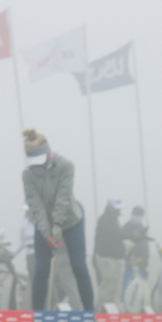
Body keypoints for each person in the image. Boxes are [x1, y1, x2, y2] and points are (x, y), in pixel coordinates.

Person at [21, 128, 95, 312]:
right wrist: (47, 233)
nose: (36, 164)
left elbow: (64, 198)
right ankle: (37, 317)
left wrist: (57, 227)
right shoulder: (28, 174)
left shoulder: (66, 166)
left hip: (71, 222)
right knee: (41, 269)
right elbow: (35, 205)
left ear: (48, 152)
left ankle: (89, 315)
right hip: (44, 224)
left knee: (78, 265)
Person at [93, 198, 125, 309]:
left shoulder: (114, 220)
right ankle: (98, 312)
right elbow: (116, 234)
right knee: (108, 286)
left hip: (116, 258)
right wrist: (131, 234)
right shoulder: (105, 219)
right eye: (116, 208)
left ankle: (115, 313)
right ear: (109, 207)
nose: (119, 211)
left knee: (117, 288)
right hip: (106, 258)